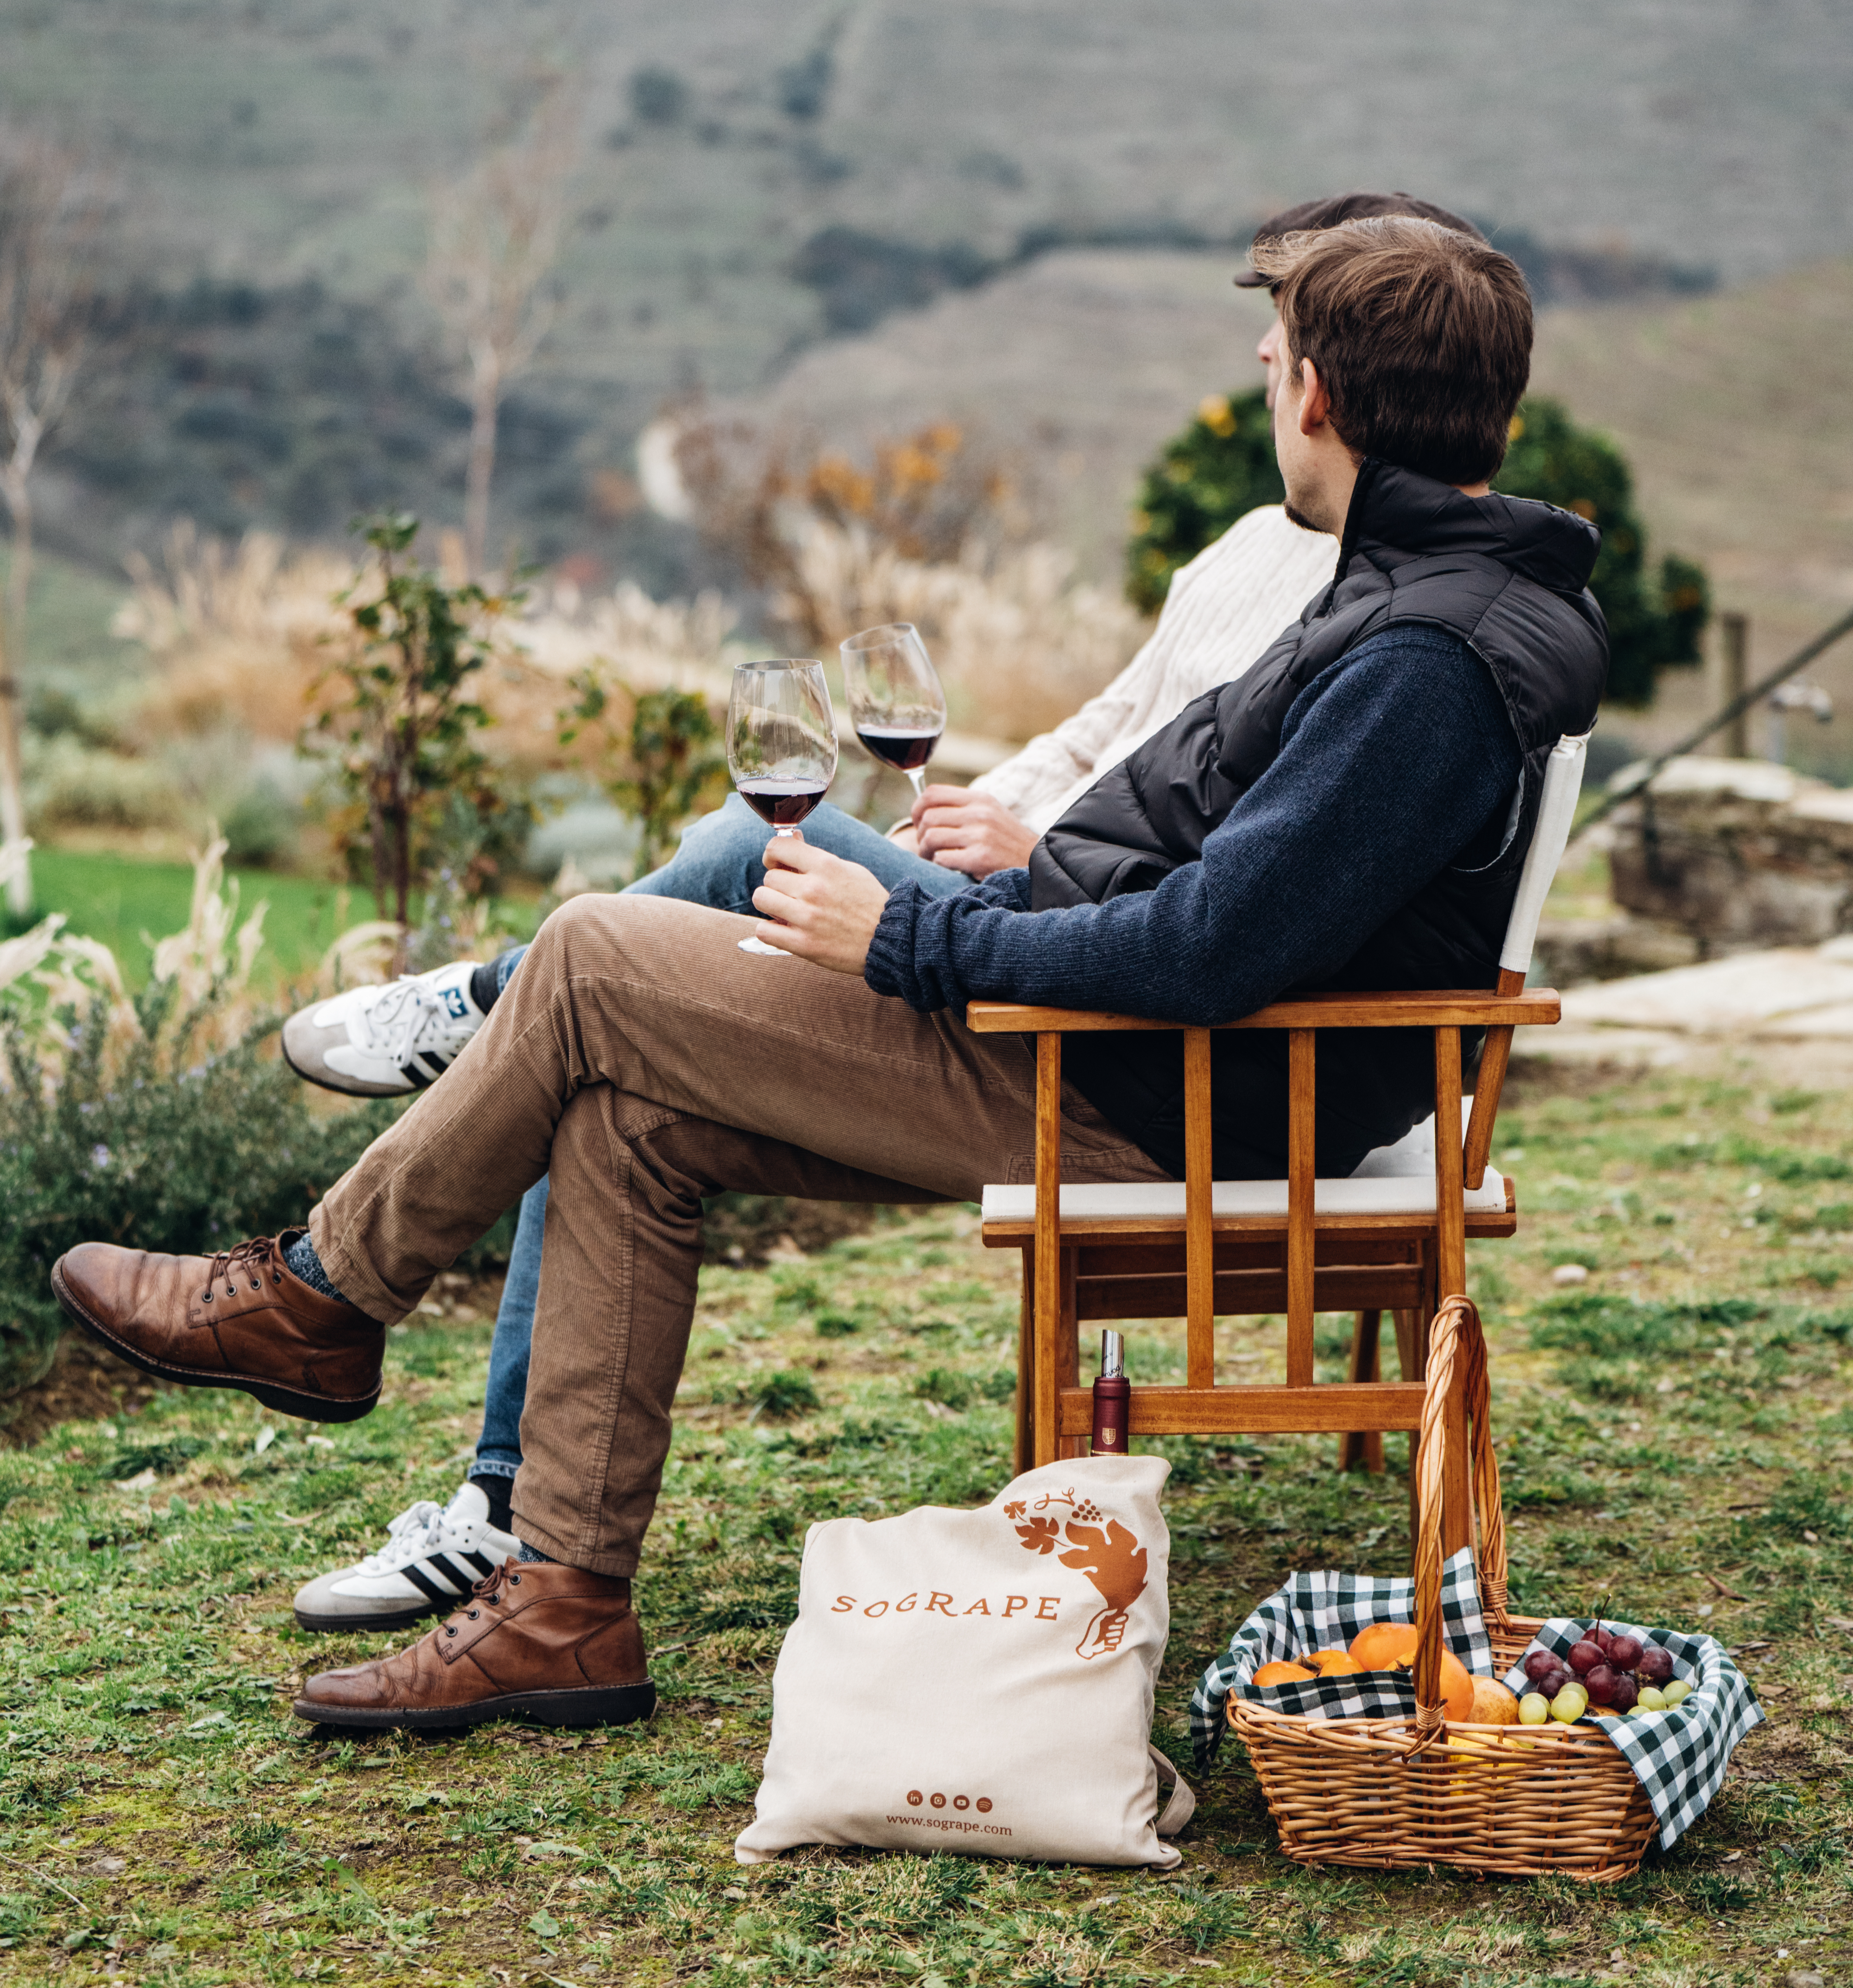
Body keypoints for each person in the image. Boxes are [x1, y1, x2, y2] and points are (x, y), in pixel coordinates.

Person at [54, 211, 1607, 1733]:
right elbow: (1234, 887)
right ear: (1495, 412)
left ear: (1315, 397)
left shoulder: (1421, 660)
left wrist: (911, 935)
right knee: (625, 1118)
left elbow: (1212, 952)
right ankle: (561, 1608)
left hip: (1144, 1091)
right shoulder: (1422, 592)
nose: (1270, 378)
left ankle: (323, 1294)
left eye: (1276, 361)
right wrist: (1001, 882)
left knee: (595, 955)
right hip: (1102, 1037)